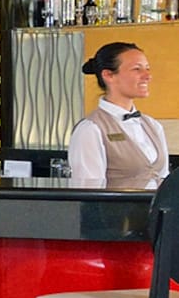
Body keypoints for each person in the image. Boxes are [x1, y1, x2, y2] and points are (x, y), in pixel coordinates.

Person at [67, 42, 165, 189]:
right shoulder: (90, 129)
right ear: (108, 75)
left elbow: (163, 178)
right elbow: (88, 192)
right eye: (137, 69)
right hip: (116, 212)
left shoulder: (153, 126)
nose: (147, 76)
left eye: (147, 69)